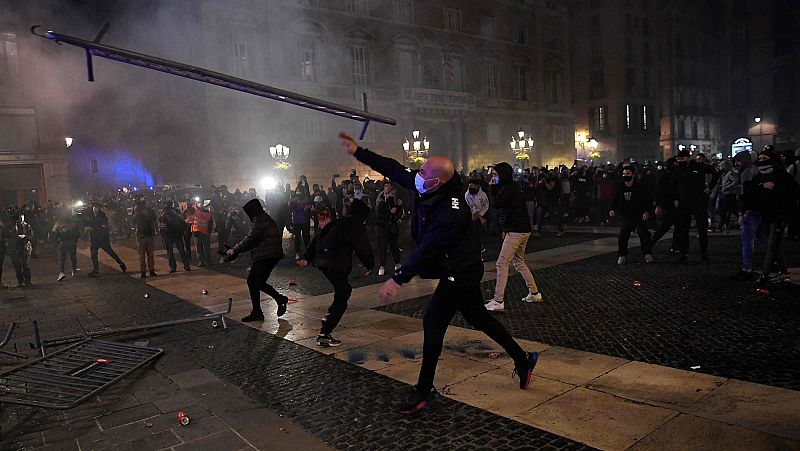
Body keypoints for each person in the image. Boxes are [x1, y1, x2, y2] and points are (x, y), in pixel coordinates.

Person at [338, 132, 538, 415]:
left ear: (438, 181)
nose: (417, 174)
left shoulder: (452, 210)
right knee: (478, 317)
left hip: (461, 270)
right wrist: (359, 151)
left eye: (423, 171)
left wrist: (398, 277)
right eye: (419, 170)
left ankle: (423, 391)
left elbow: (429, 248)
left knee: (433, 319)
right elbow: (392, 167)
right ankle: (523, 359)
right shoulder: (424, 184)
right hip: (452, 267)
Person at [298, 199, 374, 347]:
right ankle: (324, 332)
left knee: (343, 292)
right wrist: (369, 264)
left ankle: (328, 319)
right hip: (335, 263)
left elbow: (318, 237)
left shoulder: (340, 222)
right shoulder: (355, 225)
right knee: (344, 293)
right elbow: (362, 246)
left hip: (324, 262)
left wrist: (306, 257)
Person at [485, 162, 543, 312]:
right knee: (519, 262)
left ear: (503, 175)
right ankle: (534, 293)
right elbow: (506, 208)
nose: (493, 177)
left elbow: (497, 204)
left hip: (516, 231)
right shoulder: (510, 187)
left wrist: (491, 188)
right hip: (521, 229)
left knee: (501, 263)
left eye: (496, 175)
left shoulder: (509, 189)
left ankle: (498, 300)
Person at [226, 199, 290, 322]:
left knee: (256, 282)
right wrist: (236, 251)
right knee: (253, 281)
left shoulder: (261, 221)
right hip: (267, 254)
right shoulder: (262, 219)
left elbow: (250, 239)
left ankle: (276, 301)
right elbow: (252, 241)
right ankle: (261, 309)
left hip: (268, 254)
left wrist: (234, 250)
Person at [749, 149, 800, 286]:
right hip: (766, 215)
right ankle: (784, 271)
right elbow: (751, 192)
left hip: (780, 215)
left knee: (772, 245)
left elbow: (795, 191)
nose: (761, 161)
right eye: (760, 159)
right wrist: (762, 187)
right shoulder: (759, 177)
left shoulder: (781, 175)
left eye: (764, 159)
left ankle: (765, 274)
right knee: (775, 245)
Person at [670, 149, 719, 262]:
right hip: (684, 203)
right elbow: (672, 186)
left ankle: (703, 253)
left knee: (702, 229)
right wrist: (675, 199)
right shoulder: (677, 171)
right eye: (679, 159)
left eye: (682, 158)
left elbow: (715, 173)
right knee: (684, 229)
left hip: (699, 202)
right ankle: (684, 253)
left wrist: (710, 187)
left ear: (688, 158)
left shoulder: (699, 166)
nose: (680, 160)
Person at [731, 150, 767, 281]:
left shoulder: (746, 172)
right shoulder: (756, 170)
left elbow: (744, 194)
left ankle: (747, 269)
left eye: (738, 161)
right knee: (763, 237)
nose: (736, 164)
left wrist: (741, 213)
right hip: (759, 208)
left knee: (747, 239)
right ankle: (775, 262)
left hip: (750, 210)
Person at [610, 166, 653, 264]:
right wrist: (612, 209)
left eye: (628, 174)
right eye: (624, 174)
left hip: (638, 214)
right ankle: (622, 255)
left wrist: (646, 211)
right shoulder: (620, 186)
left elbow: (646, 200)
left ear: (633, 175)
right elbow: (615, 199)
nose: (625, 176)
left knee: (644, 234)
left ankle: (647, 253)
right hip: (626, 215)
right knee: (623, 235)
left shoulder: (640, 186)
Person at [86, 203, 126, 277]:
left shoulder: (102, 215)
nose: (95, 209)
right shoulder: (90, 215)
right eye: (94, 207)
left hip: (103, 238)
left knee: (110, 252)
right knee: (93, 254)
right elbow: (87, 224)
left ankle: (120, 263)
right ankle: (96, 270)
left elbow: (104, 226)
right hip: (94, 238)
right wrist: (90, 227)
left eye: (97, 208)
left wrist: (93, 227)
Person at [651, 158, 679, 252]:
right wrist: (658, 205)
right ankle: (651, 242)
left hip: (674, 204)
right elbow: (659, 191)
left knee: (678, 226)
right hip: (667, 204)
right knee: (664, 226)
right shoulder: (664, 176)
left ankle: (675, 245)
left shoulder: (673, 175)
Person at [375, 182, 403, 275]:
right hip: (383, 228)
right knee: (383, 247)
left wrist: (398, 207)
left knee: (394, 246)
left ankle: (397, 265)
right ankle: (382, 266)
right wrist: (390, 212)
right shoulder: (381, 201)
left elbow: (397, 214)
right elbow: (379, 215)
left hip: (392, 227)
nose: (392, 195)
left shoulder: (394, 200)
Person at [159, 200, 191, 273]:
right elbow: (161, 221)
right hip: (170, 234)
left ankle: (183, 266)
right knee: (172, 252)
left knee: (180, 251)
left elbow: (182, 220)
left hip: (176, 234)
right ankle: (176, 267)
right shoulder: (165, 213)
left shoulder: (174, 212)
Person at [6, 207, 33, 287]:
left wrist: (25, 237)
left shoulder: (27, 226)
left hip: (25, 248)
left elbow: (32, 237)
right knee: (17, 266)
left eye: (22, 216)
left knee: (25, 265)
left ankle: (28, 281)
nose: (20, 219)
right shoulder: (10, 226)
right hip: (14, 249)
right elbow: (6, 236)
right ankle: (20, 281)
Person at [464, 179, 489, 257]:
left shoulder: (483, 194)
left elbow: (486, 205)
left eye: (472, 186)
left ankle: (479, 247)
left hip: (480, 215)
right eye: (469, 186)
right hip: (471, 215)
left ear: (477, 186)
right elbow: (471, 206)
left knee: (477, 233)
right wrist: (477, 215)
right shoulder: (467, 194)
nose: (470, 187)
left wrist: (481, 215)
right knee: (471, 232)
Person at [133, 201, 158, 278]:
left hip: (143, 236)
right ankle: (150, 270)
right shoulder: (140, 215)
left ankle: (145, 271)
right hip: (145, 236)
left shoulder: (139, 215)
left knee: (143, 255)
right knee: (148, 255)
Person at [54, 217, 79, 281]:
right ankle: (74, 270)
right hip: (72, 242)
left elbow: (56, 235)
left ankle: (61, 272)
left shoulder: (59, 225)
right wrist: (75, 241)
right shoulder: (73, 225)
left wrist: (57, 242)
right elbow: (78, 234)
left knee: (62, 258)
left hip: (63, 243)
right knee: (73, 257)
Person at [289, 188, 312, 260]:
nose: (298, 193)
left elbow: (310, 206)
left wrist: (307, 208)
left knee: (306, 237)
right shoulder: (293, 200)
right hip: (297, 221)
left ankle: (307, 252)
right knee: (297, 238)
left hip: (304, 220)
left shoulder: (306, 199)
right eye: (297, 192)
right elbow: (290, 207)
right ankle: (297, 252)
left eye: (300, 192)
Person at [191, 202, 213, 267]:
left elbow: (210, 222)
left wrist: (209, 231)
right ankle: (202, 261)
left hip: (204, 232)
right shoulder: (193, 211)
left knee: (205, 247)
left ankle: (206, 261)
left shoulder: (206, 212)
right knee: (199, 248)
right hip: (197, 232)